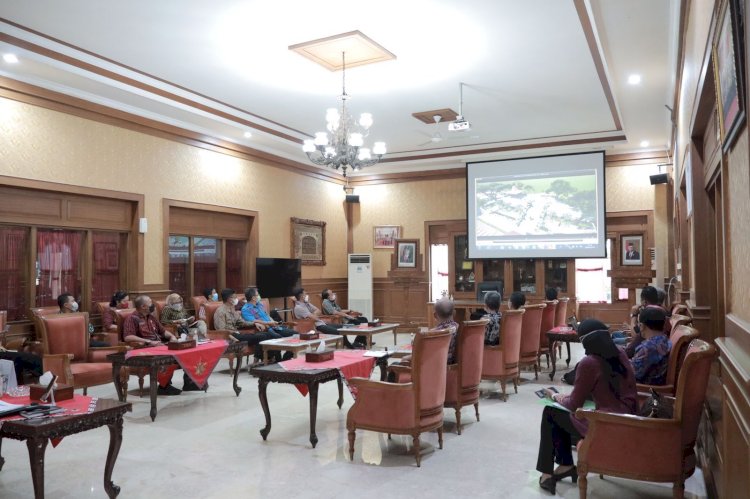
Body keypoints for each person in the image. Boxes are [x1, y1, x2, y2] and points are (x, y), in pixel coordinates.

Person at [536, 320, 637, 494]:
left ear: (585, 342)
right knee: (559, 413)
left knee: (551, 411)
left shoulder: (589, 363)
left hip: (606, 423)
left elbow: (574, 405)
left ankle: (548, 473)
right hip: (628, 418)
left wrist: (555, 395)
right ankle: (565, 465)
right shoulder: (619, 353)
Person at [122, 295, 192, 395]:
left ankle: (190, 383)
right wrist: (148, 341)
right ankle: (164, 386)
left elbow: (163, 332)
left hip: (159, 345)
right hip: (145, 349)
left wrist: (172, 337)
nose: (153, 305)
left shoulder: (151, 317)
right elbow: (128, 337)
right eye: (150, 302)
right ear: (143, 306)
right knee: (169, 357)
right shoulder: (132, 318)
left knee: (185, 351)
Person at [214, 288, 283, 363]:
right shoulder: (220, 311)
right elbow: (220, 330)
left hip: (238, 334)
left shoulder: (232, 309)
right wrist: (233, 334)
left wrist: (254, 323)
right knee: (262, 336)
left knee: (268, 335)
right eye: (234, 297)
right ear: (229, 299)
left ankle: (270, 359)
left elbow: (242, 322)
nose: (236, 299)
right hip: (232, 337)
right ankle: (264, 360)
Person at [625, 285, 671, 358]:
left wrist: (634, 315)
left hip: (635, 353)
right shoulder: (661, 311)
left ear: (644, 301)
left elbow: (635, 334)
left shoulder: (653, 314)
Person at [631, 307, 671, 385]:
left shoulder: (648, 348)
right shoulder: (664, 339)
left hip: (643, 390)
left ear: (641, 326)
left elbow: (631, 373)